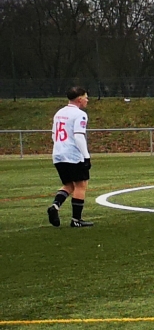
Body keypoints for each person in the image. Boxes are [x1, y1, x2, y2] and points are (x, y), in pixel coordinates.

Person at [48, 86, 93, 228]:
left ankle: (55, 206)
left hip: (58, 153)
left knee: (68, 184)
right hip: (73, 154)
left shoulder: (59, 112)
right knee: (81, 184)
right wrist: (86, 156)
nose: (87, 100)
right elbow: (78, 136)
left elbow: (53, 134)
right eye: (85, 97)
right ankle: (76, 220)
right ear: (79, 99)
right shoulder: (80, 114)